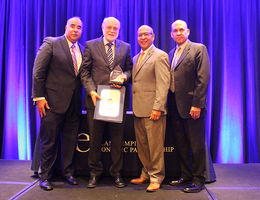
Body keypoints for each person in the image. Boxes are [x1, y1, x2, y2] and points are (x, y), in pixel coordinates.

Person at [32, 17, 84, 191]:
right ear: (66, 27)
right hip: (51, 103)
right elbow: (38, 72)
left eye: (79, 27)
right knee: (49, 141)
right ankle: (45, 176)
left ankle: (68, 173)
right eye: (73, 26)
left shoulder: (81, 50)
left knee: (70, 141)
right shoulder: (51, 43)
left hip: (74, 105)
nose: (76, 30)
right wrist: (39, 97)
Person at [80, 17, 132, 188]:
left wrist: (125, 75)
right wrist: (91, 91)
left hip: (117, 101)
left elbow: (130, 69)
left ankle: (117, 174)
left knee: (117, 140)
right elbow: (85, 72)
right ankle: (94, 174)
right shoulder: (90, 45)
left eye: (115, 28)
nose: (112, 30)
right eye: (109, 27)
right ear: (102, 28)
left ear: (119, 29)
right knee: (95, 140)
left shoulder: (126, 47)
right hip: (96, 100)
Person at [167, 20, 210, 193]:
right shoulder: (171, 53)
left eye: (181, 30)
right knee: (181, 144)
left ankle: (199, 179)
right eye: (175, 31)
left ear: (188, 31)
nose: (178, 33)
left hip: (193, 107)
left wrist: (197, 105)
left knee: (196, 145)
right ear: (171, 34)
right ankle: (185, 175)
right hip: (174, 107)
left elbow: (203, 78)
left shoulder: (199, 49)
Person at [130, 25, 170, 192]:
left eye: (146, 34)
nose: (143, 37)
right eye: (140, 35)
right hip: (138, 109)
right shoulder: (135, 58)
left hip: (153, 110)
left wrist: (158, 107)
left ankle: (156, 177)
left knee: (154, 146)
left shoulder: (160, 55)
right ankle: (145, 173)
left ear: (153, 36)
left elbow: (163, 83)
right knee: (143, 146)